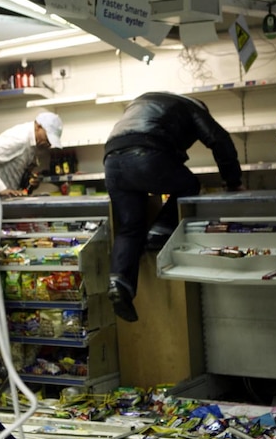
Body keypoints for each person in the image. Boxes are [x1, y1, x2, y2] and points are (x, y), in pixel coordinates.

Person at [104, 92, 244, 323]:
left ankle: (119, 284)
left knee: (130, 226)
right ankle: (160, 231)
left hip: (111, 161)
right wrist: (232, 181)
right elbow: (219, 138)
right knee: (189, 184)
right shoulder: (191, 108)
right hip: (145, 153)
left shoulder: (145, 101)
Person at [0, 112, 63, 197]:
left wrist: (29, 183)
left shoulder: (32, 144)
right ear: (38, 127)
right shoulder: (20, 138)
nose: (49, 144)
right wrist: (1, 189)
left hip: (4, 199)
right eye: (48, 137)